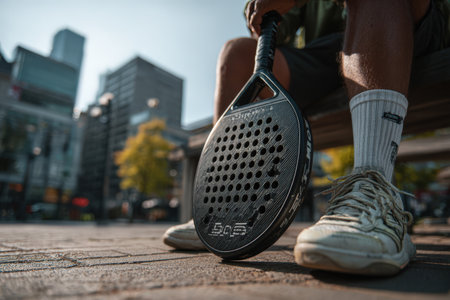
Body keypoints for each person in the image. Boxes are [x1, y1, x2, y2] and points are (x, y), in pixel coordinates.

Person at [163, 0, 450, 275]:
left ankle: (377, 194)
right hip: (324, 50)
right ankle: (223, 209)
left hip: (409, 21)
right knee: (237, 53)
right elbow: (278, 26)